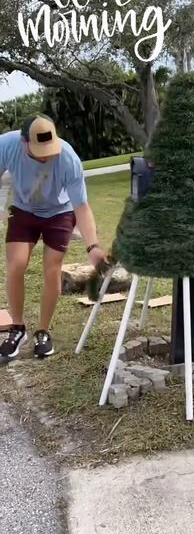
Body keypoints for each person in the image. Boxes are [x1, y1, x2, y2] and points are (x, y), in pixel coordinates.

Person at [0, 114, 107, 363]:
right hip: (24, 210)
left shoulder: (68, 158)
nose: (46, 156)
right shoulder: (7, 145)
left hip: (60, 212)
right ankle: (17, 328)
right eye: (39, 150)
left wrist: (92, 246)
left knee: (52, 270)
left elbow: (81, 207)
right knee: (16, 265)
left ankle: (43, 331)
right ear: (24, 142)